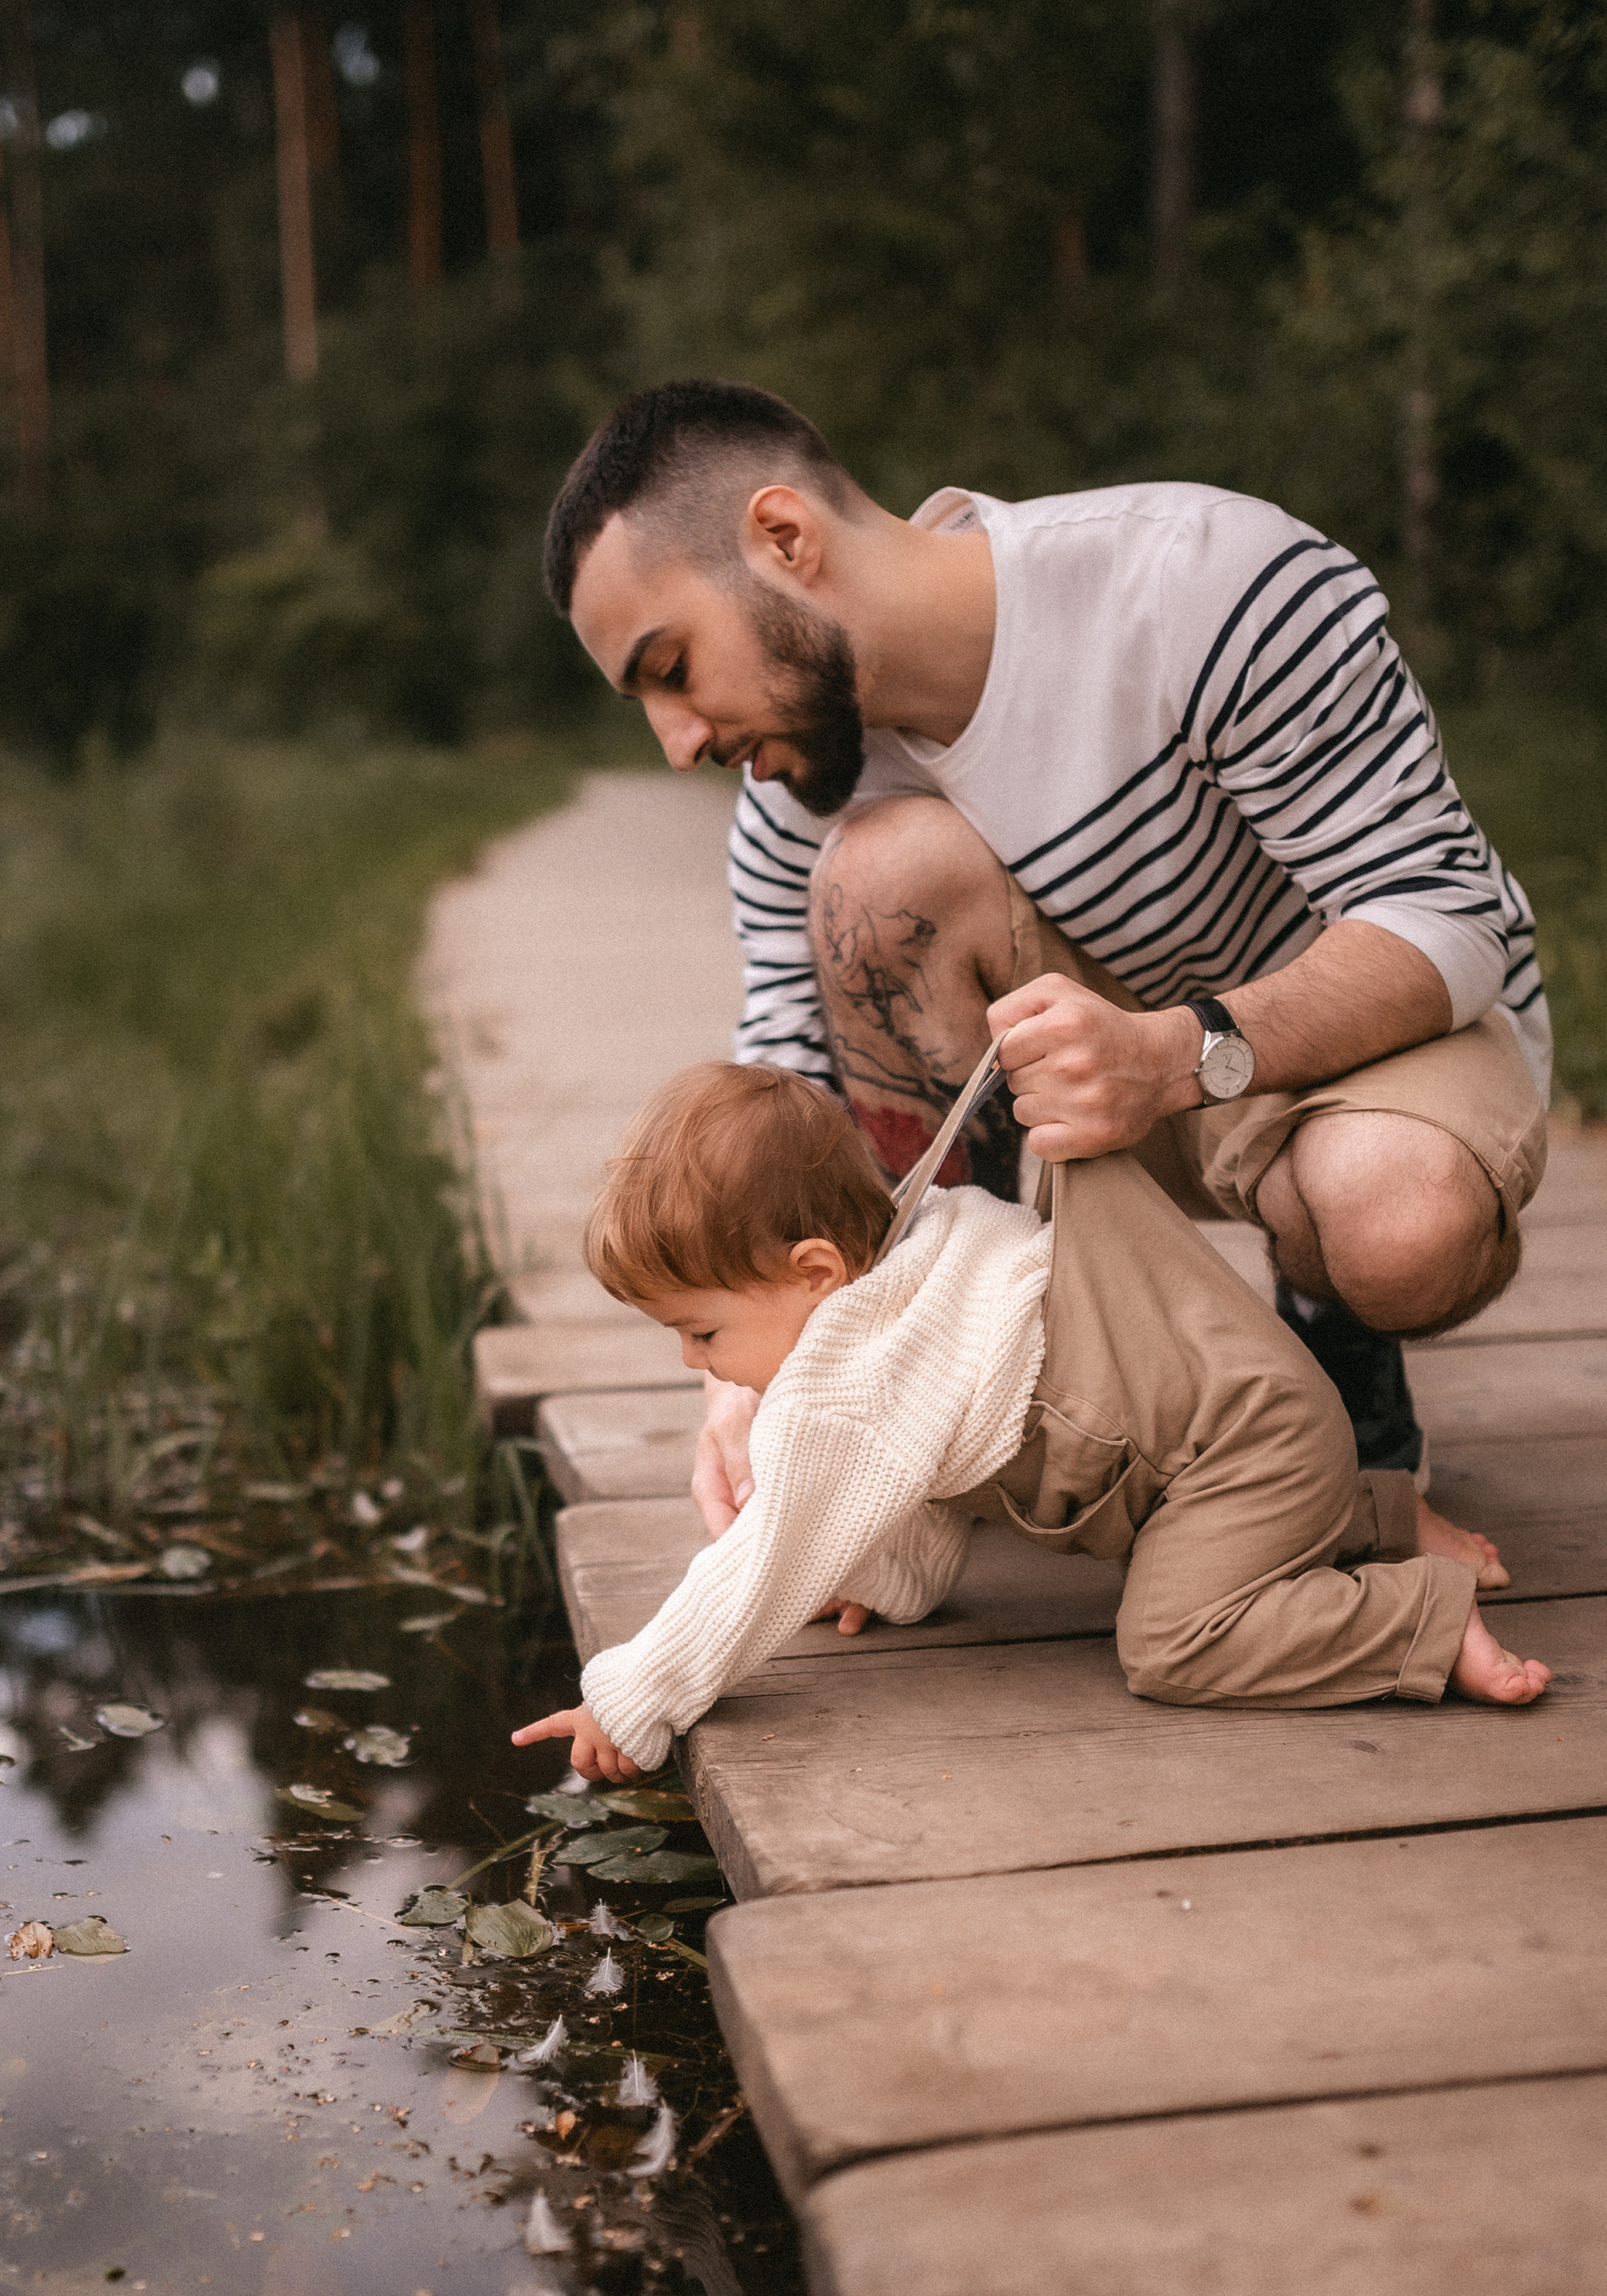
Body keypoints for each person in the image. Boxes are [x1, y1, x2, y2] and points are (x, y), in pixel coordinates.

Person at [541, 377, 1549, 1600]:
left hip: (1346, 1045)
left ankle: (1348, 1400)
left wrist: (1174, 1056)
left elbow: (1444, 913)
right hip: (1098, 1092)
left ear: (785, 540)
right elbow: (778, 1103)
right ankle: (979, 1393)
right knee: (883, 874)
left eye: (673, 666)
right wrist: (747, 1382)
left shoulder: (1205, 584)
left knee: (1398, 1219)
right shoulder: (795, 803)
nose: (678, 742)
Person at [511, 1065, 1549, 1784]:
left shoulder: (843, 1379)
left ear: (816, 1273)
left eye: (701, 1331)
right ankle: (1376, 1510)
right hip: (1254, 1424)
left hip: (1235, 1452)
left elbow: (759, 1563)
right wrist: (873, 1575)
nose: (695, 1365)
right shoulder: (928, 1248)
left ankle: (1416, 1617)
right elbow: (913, 1509)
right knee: (1220, 1524)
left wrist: (633, 1697)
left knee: (1173, 1642)